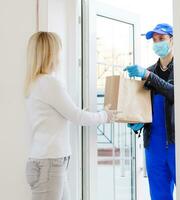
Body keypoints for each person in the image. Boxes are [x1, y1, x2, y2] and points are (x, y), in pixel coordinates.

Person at [24, 32, 117, 200]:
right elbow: (77, 117)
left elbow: (59, 115)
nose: (60, 56)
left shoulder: (35, 83)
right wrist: (105, 116)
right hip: (49, 164)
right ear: (50, 54)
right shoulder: (49, 83)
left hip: (47, 162)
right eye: (58, 51)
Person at [124, 23, 180, 200]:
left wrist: (148, 76)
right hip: (154, 144)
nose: (157, 43)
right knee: (159, 194)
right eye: (154, 40)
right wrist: (138, 121)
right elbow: (146, 105)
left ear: (172, 40)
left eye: (161, 38)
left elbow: (177, 94)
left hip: (178, 142)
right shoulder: (150, 70)